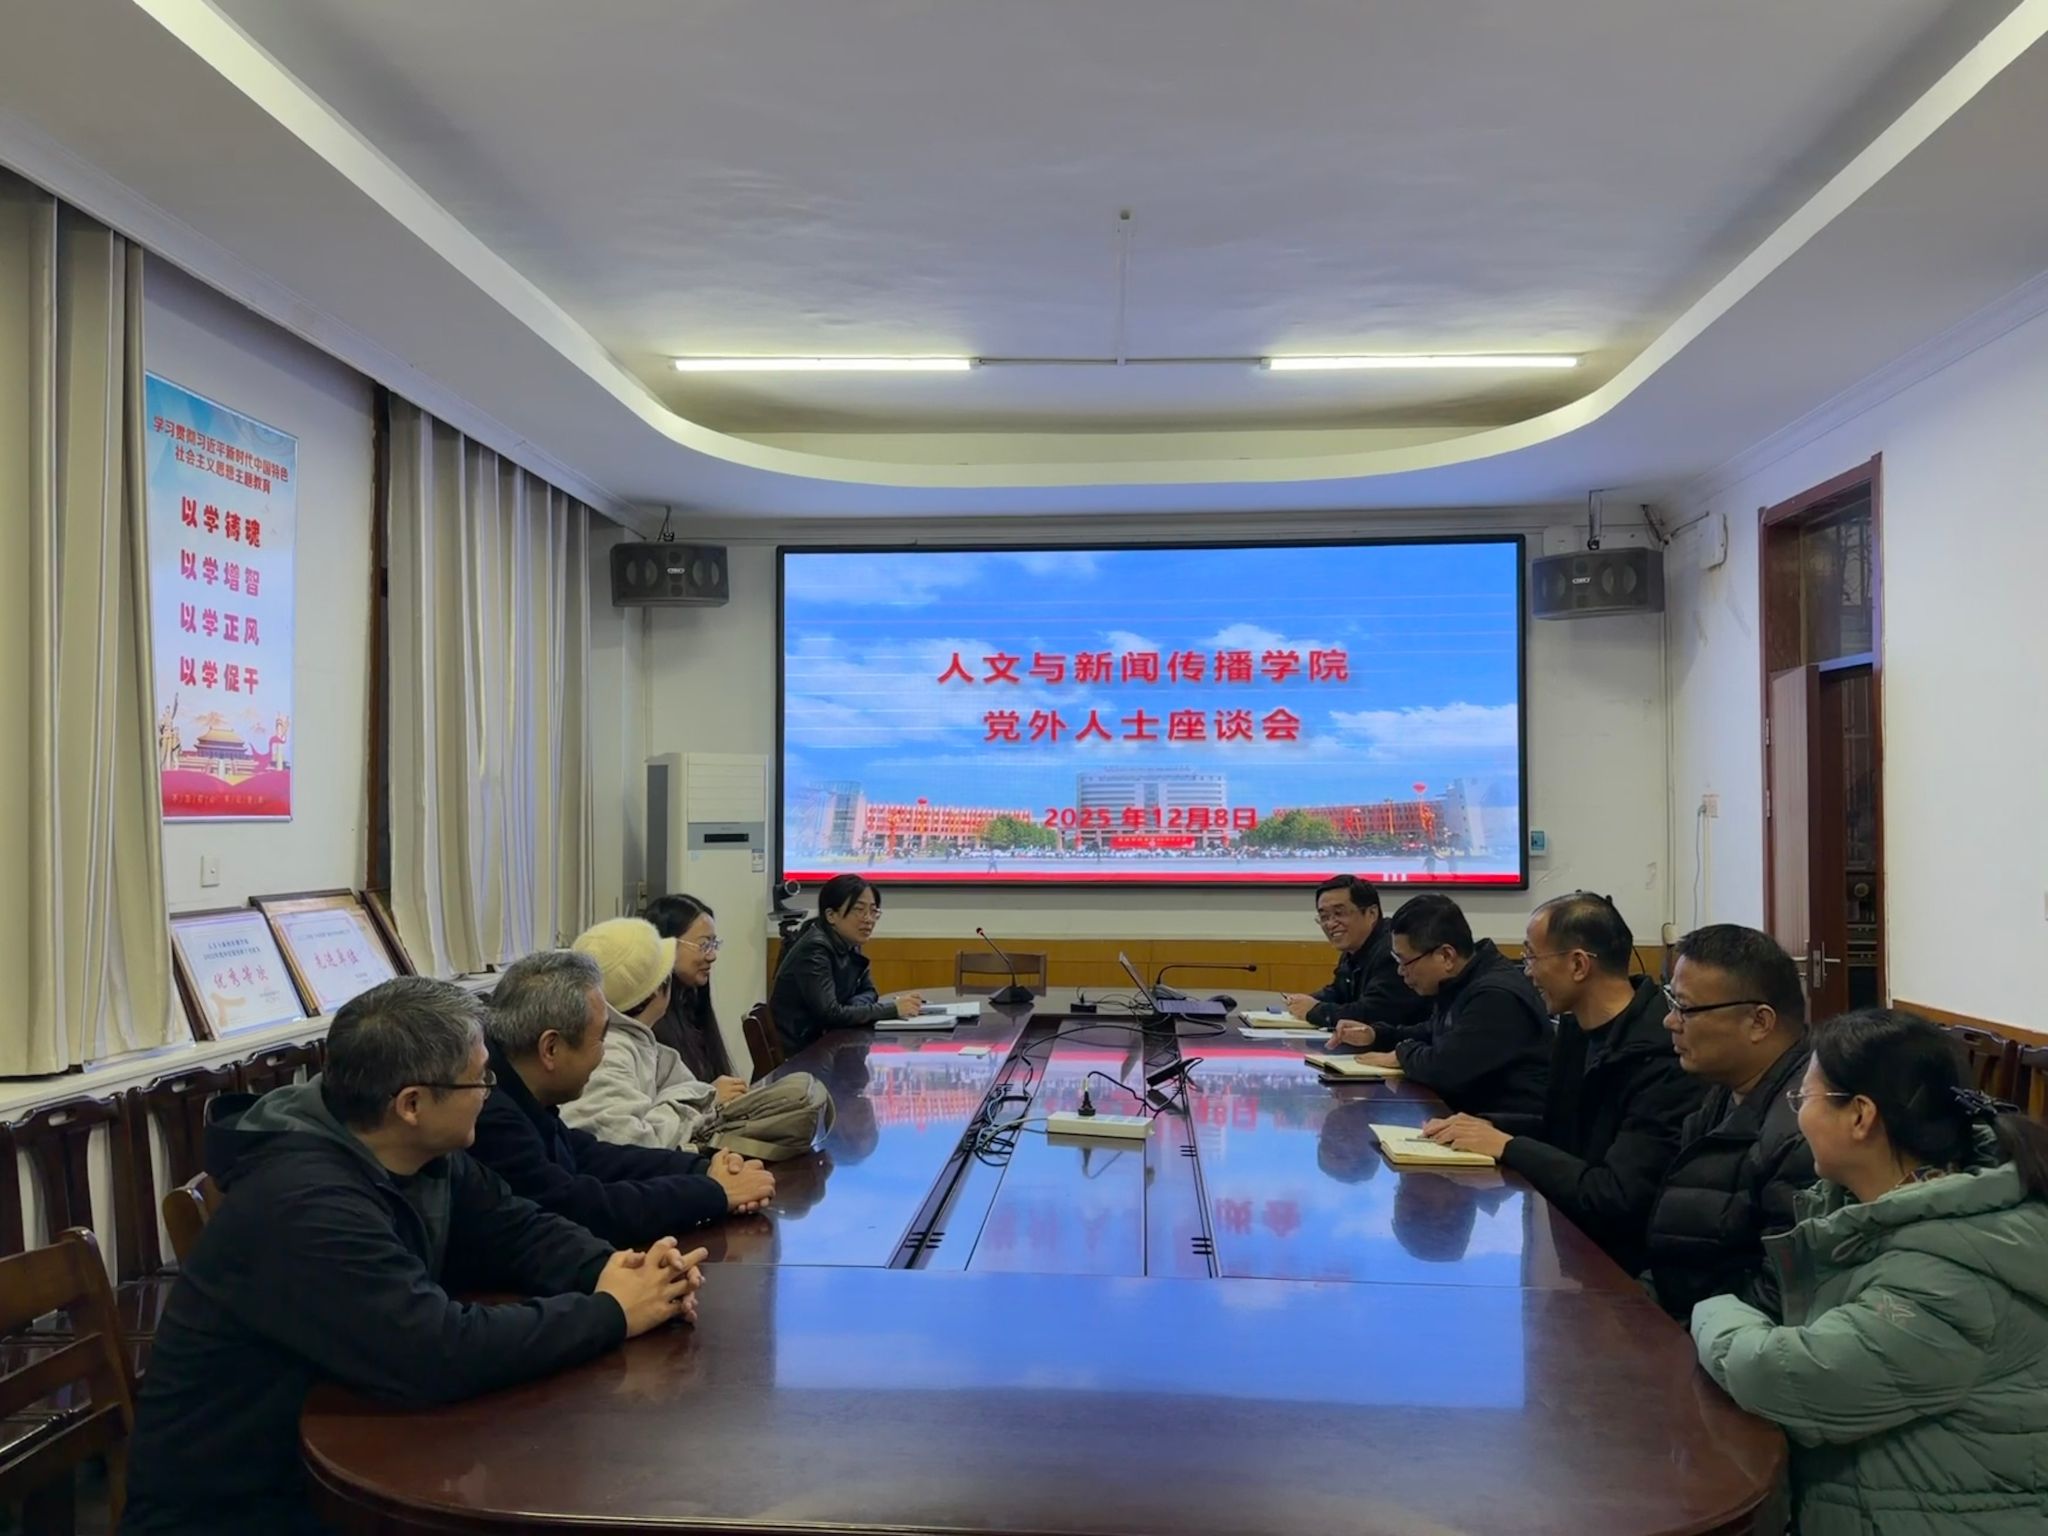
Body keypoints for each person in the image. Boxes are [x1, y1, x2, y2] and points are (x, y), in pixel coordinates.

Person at [120, 977, 706, 1536]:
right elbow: (437, 1349)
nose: (490, 1093)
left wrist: (613, 1269)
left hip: (336, 1458)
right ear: (411, 1103)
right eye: (480, 1080)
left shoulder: (414, 1148)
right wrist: (611, 1312)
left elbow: (515, 1227)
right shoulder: (305, 1203)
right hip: (247, 1507)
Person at [1693, 1009, 2048, 1536]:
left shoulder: (1946, 1277)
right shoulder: (1874, 1208)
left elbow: (1784, 1375)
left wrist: (1712, 1309)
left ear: (1860, 1116)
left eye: (1805, 1098)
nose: (1799, 1117)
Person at [1423, 892, 1704, 1273]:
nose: (1527, 972)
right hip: (1581, 1252)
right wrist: (1486, 1126)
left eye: (1531, 958)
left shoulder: (1660, 1056)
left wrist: (1508, 1145)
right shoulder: (1577, 1031)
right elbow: (1562, 1130)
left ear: (1578, 964)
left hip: (1632, 1272)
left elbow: (1615, 1196)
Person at [471, 949, 775, 1244]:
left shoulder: (518, 1084)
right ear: (551, 1049)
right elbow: (578, 1208)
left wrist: (702, 1169)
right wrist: (713, 1193)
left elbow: (587, 1155)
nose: (604, 1053)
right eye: (601, 1039)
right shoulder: (487, 1113)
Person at [1644, 923, 1815, 1321]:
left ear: (1759, 1022)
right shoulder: (1726, 1090)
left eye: (1685, 1008)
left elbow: (1778, 1302)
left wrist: (1668, 1335)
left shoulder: (1804, 1133)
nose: (1670, 1021)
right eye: (1670, 1000)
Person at [1327, 893, 1549, 1129]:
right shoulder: (1464, 979)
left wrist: (1401, 1054)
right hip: (1466, 1118)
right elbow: (1432, 1031)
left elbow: (1444, 1067)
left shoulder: (1495, 995)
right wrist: (1376, 1035)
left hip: (1503, 1129)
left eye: (1405, 962)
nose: (1400, 972)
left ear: (1446, 956)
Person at [561, 918, 771, 1153]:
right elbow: (632, 1145)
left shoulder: (641, 1042)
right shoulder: (610, 1054)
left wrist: (702, 1099)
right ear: (655, 991)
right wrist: (702, 1101)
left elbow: (687, 1089)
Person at [770, 874, 926, 1052]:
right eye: (859, 910)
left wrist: (851, 1008)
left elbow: (869, 991)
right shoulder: (814, 950)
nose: (868, 919)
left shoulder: (849, 942)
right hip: (802, 1052)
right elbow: (830, 1014)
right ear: (831, 915)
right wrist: (893, 1009)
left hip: (829, 1045)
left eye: (873, 911)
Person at [1279, 875, 1427, 1033]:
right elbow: (1339, 992)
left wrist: (1315, 1010)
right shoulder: (1354, 947)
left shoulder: (1393, 950)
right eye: (1324, 917)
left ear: (1371, 913)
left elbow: (1374, 1013)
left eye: (1339, 913)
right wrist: (1305, 1001)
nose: (1331, 924)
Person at [644, 892, 738, 1081]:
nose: (712, 956)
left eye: (713, 944)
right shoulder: (648, 1019)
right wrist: (709, 1094)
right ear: (667, 944)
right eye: (703, 945)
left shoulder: (691, 1000)